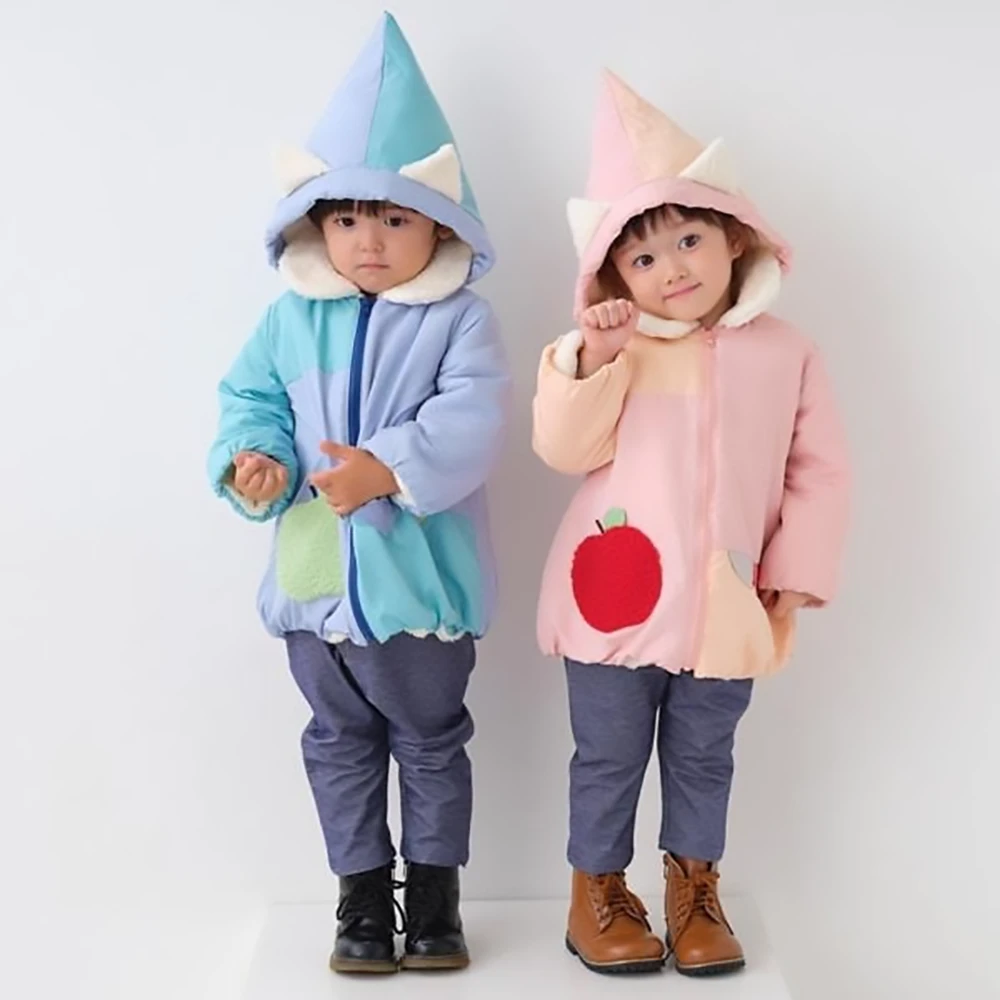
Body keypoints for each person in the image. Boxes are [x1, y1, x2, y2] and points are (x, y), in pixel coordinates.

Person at [207, 13, 509, 975]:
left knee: (431, 741)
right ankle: (361, 901)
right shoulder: (288, 321)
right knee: (337, 743)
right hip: (316, 587)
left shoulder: (462, 321)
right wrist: (255, 459)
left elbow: (476, 418)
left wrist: (390, 466)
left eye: (394, 218)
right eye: (345, 219)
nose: (368, 240)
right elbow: (249, 401)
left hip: (418, 588)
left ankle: (435, 901)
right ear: (316, 224)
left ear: (440, 223)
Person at [533, 70, 850, 977]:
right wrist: (593, 357)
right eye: (642, 258)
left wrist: (797, 567)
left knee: (705, 753)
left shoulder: (786, 354)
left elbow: (818, 469)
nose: (672, 268)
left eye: (688, 239)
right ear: (613, 277)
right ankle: (596, 892)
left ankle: (695, 890)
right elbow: (561, 447)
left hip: (727, 598)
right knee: (607, 756)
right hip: (614, 597)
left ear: (734, 236)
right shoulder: (609, 349)